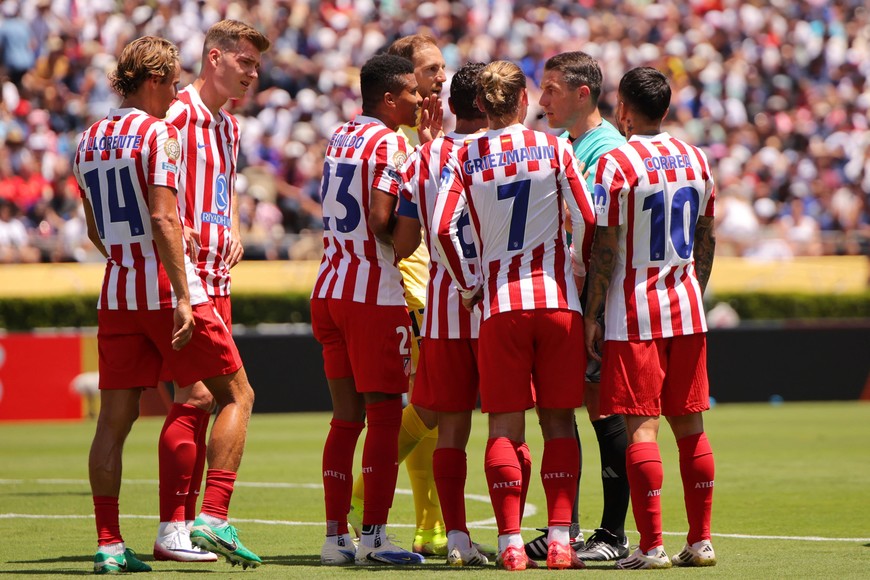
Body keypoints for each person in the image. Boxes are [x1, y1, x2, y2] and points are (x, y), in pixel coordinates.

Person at [73, 36, 260, 574]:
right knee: (236, 394)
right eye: (173, 83)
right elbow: (163, 217)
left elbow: (94, 230)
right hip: (164, 283)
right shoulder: (160, 132)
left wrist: (127, 260)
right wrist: (180, 292)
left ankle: (109, 544)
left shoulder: (87, 139)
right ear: (154, 80)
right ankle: (213, 515)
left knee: (113, 421)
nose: (177, 92)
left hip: (117, 288)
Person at [433, 60, 596, 571]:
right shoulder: (554, 147)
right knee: (560, 422)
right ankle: (562, 540)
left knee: (504, 426)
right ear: (524, 101)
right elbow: (588, 215)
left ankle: (509, 542)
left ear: (481, 104)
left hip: (501, 305)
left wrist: (469, 283)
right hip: (557, 301)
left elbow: (442, 228)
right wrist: (577, 265)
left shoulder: (466, 154)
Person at [583, 66, 718, 570]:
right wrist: (691, 291)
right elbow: (706, 239)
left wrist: (593, 313)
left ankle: (651, 545)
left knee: (642, 428)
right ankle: (700, 541)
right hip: (686, 307)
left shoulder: (616, 163)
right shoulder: (697, 158)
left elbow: (605, 247)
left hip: (633, 313)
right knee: (691, 427)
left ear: (623, 109)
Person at [153, 19, 270, 563]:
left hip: (218, 275)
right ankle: (205, 518)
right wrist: (180, 228)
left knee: (197, 398)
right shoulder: (174, 116)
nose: (252, 73)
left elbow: (225, 185)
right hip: (188, 278)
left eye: (256, 65)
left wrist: (235, 228)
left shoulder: (228, 125)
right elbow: (152, 185)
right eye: (245, 61)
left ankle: (176, 529)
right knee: (217, 395)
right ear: (215, 58)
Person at [311, 53, 425, 567]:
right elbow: (381, 219)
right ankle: (375, 537)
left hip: (329, 286)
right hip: (372, 293)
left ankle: (336, 538)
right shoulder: (391, 143)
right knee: (383, 417)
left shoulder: (341, 135)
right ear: (389, 98)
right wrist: (412, 223)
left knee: (344, 419)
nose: (420, 100)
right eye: (412, 92)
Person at [347, 32, 449, 557]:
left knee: (430, 406)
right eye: (429, 71)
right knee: (433, 401)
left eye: (441, 68)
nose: (439, 78)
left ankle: (429, 525)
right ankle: (361, 495)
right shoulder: (397, 139)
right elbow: (391, 222)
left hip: (419, 281)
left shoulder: (413, 135)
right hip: (407, 285)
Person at [526, 50, 630, 562]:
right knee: (563, 407)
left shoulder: (606, 150)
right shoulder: (570, 145)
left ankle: (612, 534)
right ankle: (564, 528)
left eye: (551, 89)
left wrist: (594, 304)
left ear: (582, 93)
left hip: (599, 297)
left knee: (601, 406)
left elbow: (600, 233)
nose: (541, 100)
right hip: (573, 294)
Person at [391, 62, 489, 567]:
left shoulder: (424, 156)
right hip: (501, 304)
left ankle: (452, 535)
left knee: (446, 422)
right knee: (510, 424)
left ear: (449, 105)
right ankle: (516, 538)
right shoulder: (522, 150)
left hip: (445, 304)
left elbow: (404, 241)